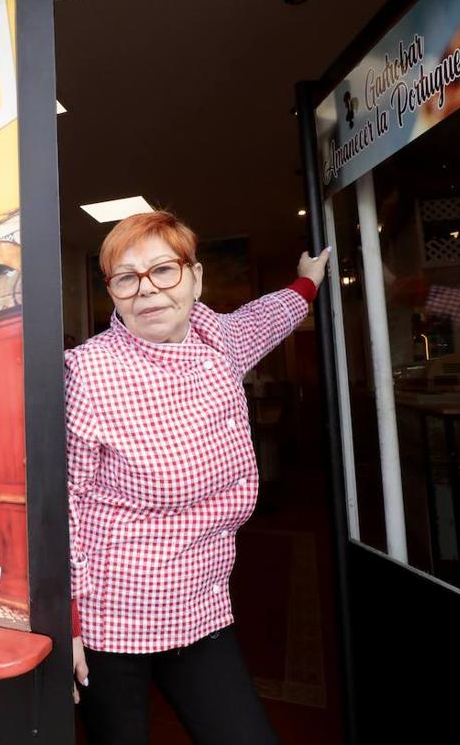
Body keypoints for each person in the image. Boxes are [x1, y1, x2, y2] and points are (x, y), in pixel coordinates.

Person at [65, 210, 328, 744]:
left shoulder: (218, 339)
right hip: (109, 618)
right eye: (126, 277)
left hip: (200, 604)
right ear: (112, 292)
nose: (148, 291)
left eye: (164, 269)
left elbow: (270, 315)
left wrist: (309, 280)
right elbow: (62, 504)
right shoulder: (87, 374)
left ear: (196, 277)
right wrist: (64, 620)